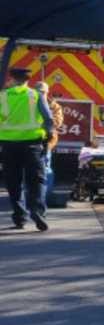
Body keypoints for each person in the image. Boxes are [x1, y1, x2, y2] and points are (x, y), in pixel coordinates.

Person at [0, 68, 55, 231]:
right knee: (36, 180)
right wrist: (48, 135)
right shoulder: (35, 95)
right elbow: (48, 118)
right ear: (27, 80)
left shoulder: (3, 96)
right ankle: (37, 211)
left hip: (8, 145)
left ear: (12, 79)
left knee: (13, 182)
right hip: (32, 145)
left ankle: (19, 216)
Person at [35, 82, 63, 200]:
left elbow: (57, 122)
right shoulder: (28, 104)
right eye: (39, 92)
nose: (41, 94)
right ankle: (30, 195)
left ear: (47, 92)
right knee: (29, 169)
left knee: (46, 168)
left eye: (43, 92)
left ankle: (45, 196)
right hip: (31, 141)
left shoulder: (54, 106)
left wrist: (46, 120)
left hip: (47, 142)